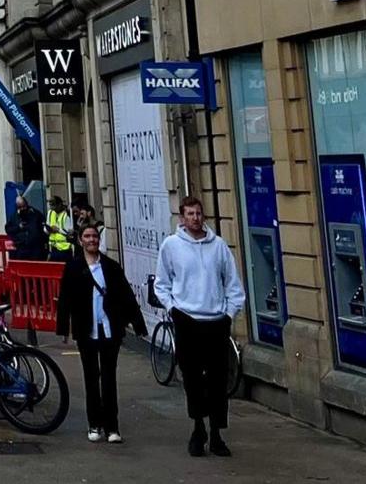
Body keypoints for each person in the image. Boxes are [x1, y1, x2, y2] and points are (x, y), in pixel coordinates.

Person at [154, 197, 247, 458]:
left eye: (198, 213)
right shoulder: (171, 246)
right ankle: (198, 429)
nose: (195, 218)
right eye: (190, 214)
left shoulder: (218, 246)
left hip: (216, 321)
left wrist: (229, 314)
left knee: (218, 380)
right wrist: (173, 309)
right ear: (182, 218)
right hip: (187, 320)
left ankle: (217, 433)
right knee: (192, 379)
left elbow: (233, 284)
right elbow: (162, 283)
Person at [56, 223, 148, 443]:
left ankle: (112, 427)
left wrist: (138, 324)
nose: (92, 240)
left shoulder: (111, 267)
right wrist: (63, 328)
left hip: (109, 329)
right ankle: (94, 424)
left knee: (109, 378)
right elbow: (66, 299)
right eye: (87, 236)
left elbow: (126, 296)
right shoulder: (74, 267)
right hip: (86, 329)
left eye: (95, 236)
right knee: (91, 377)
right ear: (80, 240)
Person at [46, 195, 75, 259]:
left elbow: (70, 233)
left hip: (65, 249)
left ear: (59, 204)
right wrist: (48, 229)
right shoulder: (50, 212)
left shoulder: (67, 214)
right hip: (53, 248)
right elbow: (46, 227)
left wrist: (58, 230)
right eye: (50, 205)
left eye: (54, 205)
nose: (52, 208)